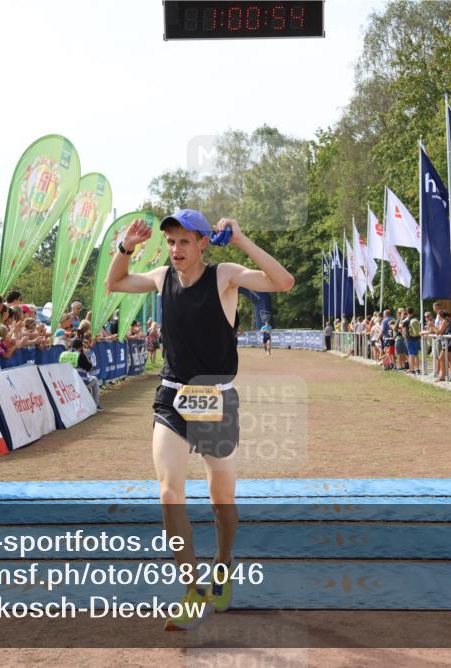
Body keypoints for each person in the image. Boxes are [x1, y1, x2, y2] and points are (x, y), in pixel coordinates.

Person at [105, 209, 293, 630]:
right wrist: (125, 247)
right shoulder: (160, 277)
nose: (176, 250)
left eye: (185, 242)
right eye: (171, 242)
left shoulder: (224, 275)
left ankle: (223, 564)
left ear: (203, 242)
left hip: (216, 400)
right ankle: (192, 589)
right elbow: (115, 282)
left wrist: (242, 239)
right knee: (170, 494)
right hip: (171, 399)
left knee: (220, 502)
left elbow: (283, 282)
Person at [59, 337, 101, 408]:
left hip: (65, 383)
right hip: (79, 383)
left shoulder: (63, 354)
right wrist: (85, 355)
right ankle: (95, 405)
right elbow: (90, 368)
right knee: (95, 379)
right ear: (81, 347)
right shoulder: (80, 355)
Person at [405, 308, 421, 374]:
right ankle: (417, 369)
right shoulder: (416, 319)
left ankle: (412, 369)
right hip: (416, 338)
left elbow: (400, 325)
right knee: (416, 354)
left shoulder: (407, 320)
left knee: (411, 354)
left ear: (407, 312)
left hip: (409, 338)